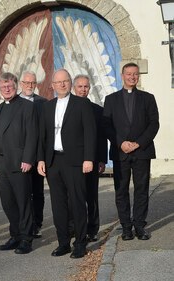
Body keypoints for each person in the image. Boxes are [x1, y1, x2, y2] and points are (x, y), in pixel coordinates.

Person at [37, 69, 96, 259]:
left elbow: (90, 132)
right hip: (53, 161)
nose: (62, 84)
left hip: (75, 162)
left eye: (65, 81)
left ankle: (80, 243)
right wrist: (40, 159)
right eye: (58, 82)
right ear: (52, 85)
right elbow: (42, 136)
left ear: (70, 83)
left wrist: (89, 158)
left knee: (78, 203)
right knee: (58, 204)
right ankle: (63, 242)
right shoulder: (47, 106)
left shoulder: (81, 104)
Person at [102, 62, 159, 241]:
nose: (132, 77)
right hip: (120, 153)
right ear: (122, 75)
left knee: (142, 190)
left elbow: (154, 124)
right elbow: (107, 126)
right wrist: (121, 143)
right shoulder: (111, 99)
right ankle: (126, 227)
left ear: (138, 76)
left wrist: (138, 143)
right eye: (129, 74)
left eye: (135, 74)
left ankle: (140, 226)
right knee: (121, 190)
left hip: (142, 151)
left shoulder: (148, 98)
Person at [0, 72, 37, 254]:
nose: (6, 89)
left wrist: (28, 159)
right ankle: (15, 235)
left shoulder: (27, 107)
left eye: (9, 86)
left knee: (23, 202)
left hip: (19, 163)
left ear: (16, 86)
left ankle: (26, 238)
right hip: (1, 163)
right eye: (3, 87)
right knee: (8, 202)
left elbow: (32, 135)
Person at [73, 74, 108, 242]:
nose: (83, 89)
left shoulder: (97, 110)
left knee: (91, 196)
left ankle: (92, 229)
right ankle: (75, 227)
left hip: (92, 160)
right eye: (80, 86)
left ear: (89, 88)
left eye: (86, 86)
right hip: (71, 162)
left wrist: (102, 159)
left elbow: (102, 137)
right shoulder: (66, 108)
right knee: (72, 196)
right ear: (74, 88)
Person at [18, 70, 47, 238]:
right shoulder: (13, 102)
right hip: (19, 156)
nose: (29, 86)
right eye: (27, 83)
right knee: (22, 193)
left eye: (33, 83)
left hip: (37, 155)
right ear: (21, 84)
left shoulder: (43, 103)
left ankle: (37, 224)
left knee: (37, 192)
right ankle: (23, 224)